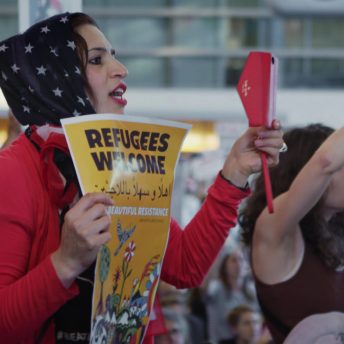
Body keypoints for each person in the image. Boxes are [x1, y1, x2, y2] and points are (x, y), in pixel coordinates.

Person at [0, 12, 284, 344]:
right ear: (58, 80)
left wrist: (234, 170)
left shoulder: (121, 161)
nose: (121, 70)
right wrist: (66, 262)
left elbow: (186, 265)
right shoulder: (13, 171)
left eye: (114, 56)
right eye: (96, 60)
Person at [239, 123, 344, 343]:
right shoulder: (275, 230)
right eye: (341, 167)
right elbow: (324, 162)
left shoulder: (333, 236)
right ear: (304, 175)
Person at [205, 248, 259, 342]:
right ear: (224, 265)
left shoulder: (253, 290)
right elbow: (204, 289)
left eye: (241, 260)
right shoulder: (216, 288)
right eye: (234, 260)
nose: (238, 264)